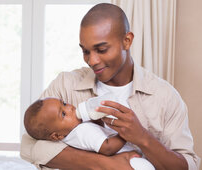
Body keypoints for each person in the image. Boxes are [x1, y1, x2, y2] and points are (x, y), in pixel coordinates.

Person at [20, 3, 200, 170]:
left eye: (102, 49)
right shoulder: (66, 85)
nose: (92, 60)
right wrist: (106, 164)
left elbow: (189, 165)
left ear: (127, 41)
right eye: (85, 51)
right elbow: (30, 146)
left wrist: (142, 138)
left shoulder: (164, 96)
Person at [24, 97, 155, 170]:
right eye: (63, 114)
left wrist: (96, 118)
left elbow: (97, 136)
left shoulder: (77, 131)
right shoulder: (81, 132)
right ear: (57, 136)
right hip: (130, 164)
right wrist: (124, 133)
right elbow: (107, 148)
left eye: (64, 103)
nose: (70, 107)